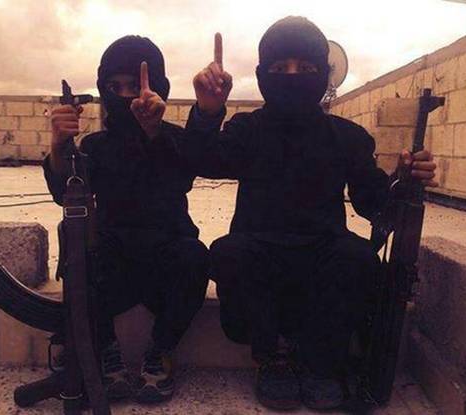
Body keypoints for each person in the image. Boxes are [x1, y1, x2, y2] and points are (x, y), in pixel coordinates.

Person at [183, 17, 438, 410]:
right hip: (259, 253)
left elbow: (374, 202)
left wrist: (404, 181)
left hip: (322, 254)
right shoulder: (246, 129)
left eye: (305, 67)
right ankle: (272, 356)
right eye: (279, 67)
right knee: (227, 253)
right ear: (262, 75)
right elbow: (202, 159)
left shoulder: (347, 137)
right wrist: (207, 111)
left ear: (324, 74)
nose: (292, 76)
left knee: (358, 258)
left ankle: (321, 363)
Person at [43, 35, 209, 404]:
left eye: (134, 86)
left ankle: (160, 352)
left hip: (167, 256)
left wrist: (152, 133)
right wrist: (57, 146)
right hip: (113, 261)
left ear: (157, 89)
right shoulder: (96, 146)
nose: (124, 96)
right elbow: (65, 193)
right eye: (114, 87)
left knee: (195, 257)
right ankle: (105, 352)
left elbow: (179, 178)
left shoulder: (176, 139)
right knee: (77, 246)